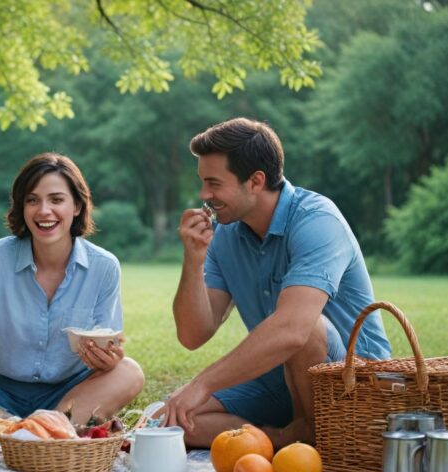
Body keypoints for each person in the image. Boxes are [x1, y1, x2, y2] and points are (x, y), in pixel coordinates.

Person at [163, 118, 390, 449]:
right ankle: (289, 437)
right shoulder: (226, 235)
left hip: (355, 379)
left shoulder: (316, 221)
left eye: (213, 183)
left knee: (308, 325)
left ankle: (318, 440)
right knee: (172, 421)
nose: (204, 195)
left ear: (255, 181)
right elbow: (192, 335)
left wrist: (204, 382)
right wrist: (193, 260)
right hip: (279, 376)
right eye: (203, 183)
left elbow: (293, 331)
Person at [0, 153, 144, 431]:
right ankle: (45, 430)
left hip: (67, 392)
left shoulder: (104, 267)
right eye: (32, 200)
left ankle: (21, 430)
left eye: (56, 200)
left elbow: (109, 345)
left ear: (77, 205)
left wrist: (108, 361)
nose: (43, 211)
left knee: (129, 373)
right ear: (21, 207)